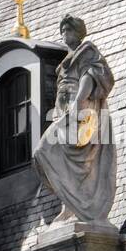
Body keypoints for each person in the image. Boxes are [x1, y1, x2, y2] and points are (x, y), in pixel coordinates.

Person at [34, 15, 116, 225]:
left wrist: (79, 99)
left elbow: (92, 75)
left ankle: (78, 207)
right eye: (63, 31)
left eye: (68, 30)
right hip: (63, 111)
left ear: (78, 33)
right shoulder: (67, 60)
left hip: (80, 109)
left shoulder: (86, 51)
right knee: (45, 154)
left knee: (52, 152)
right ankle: (70, 206)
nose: (64, 34)